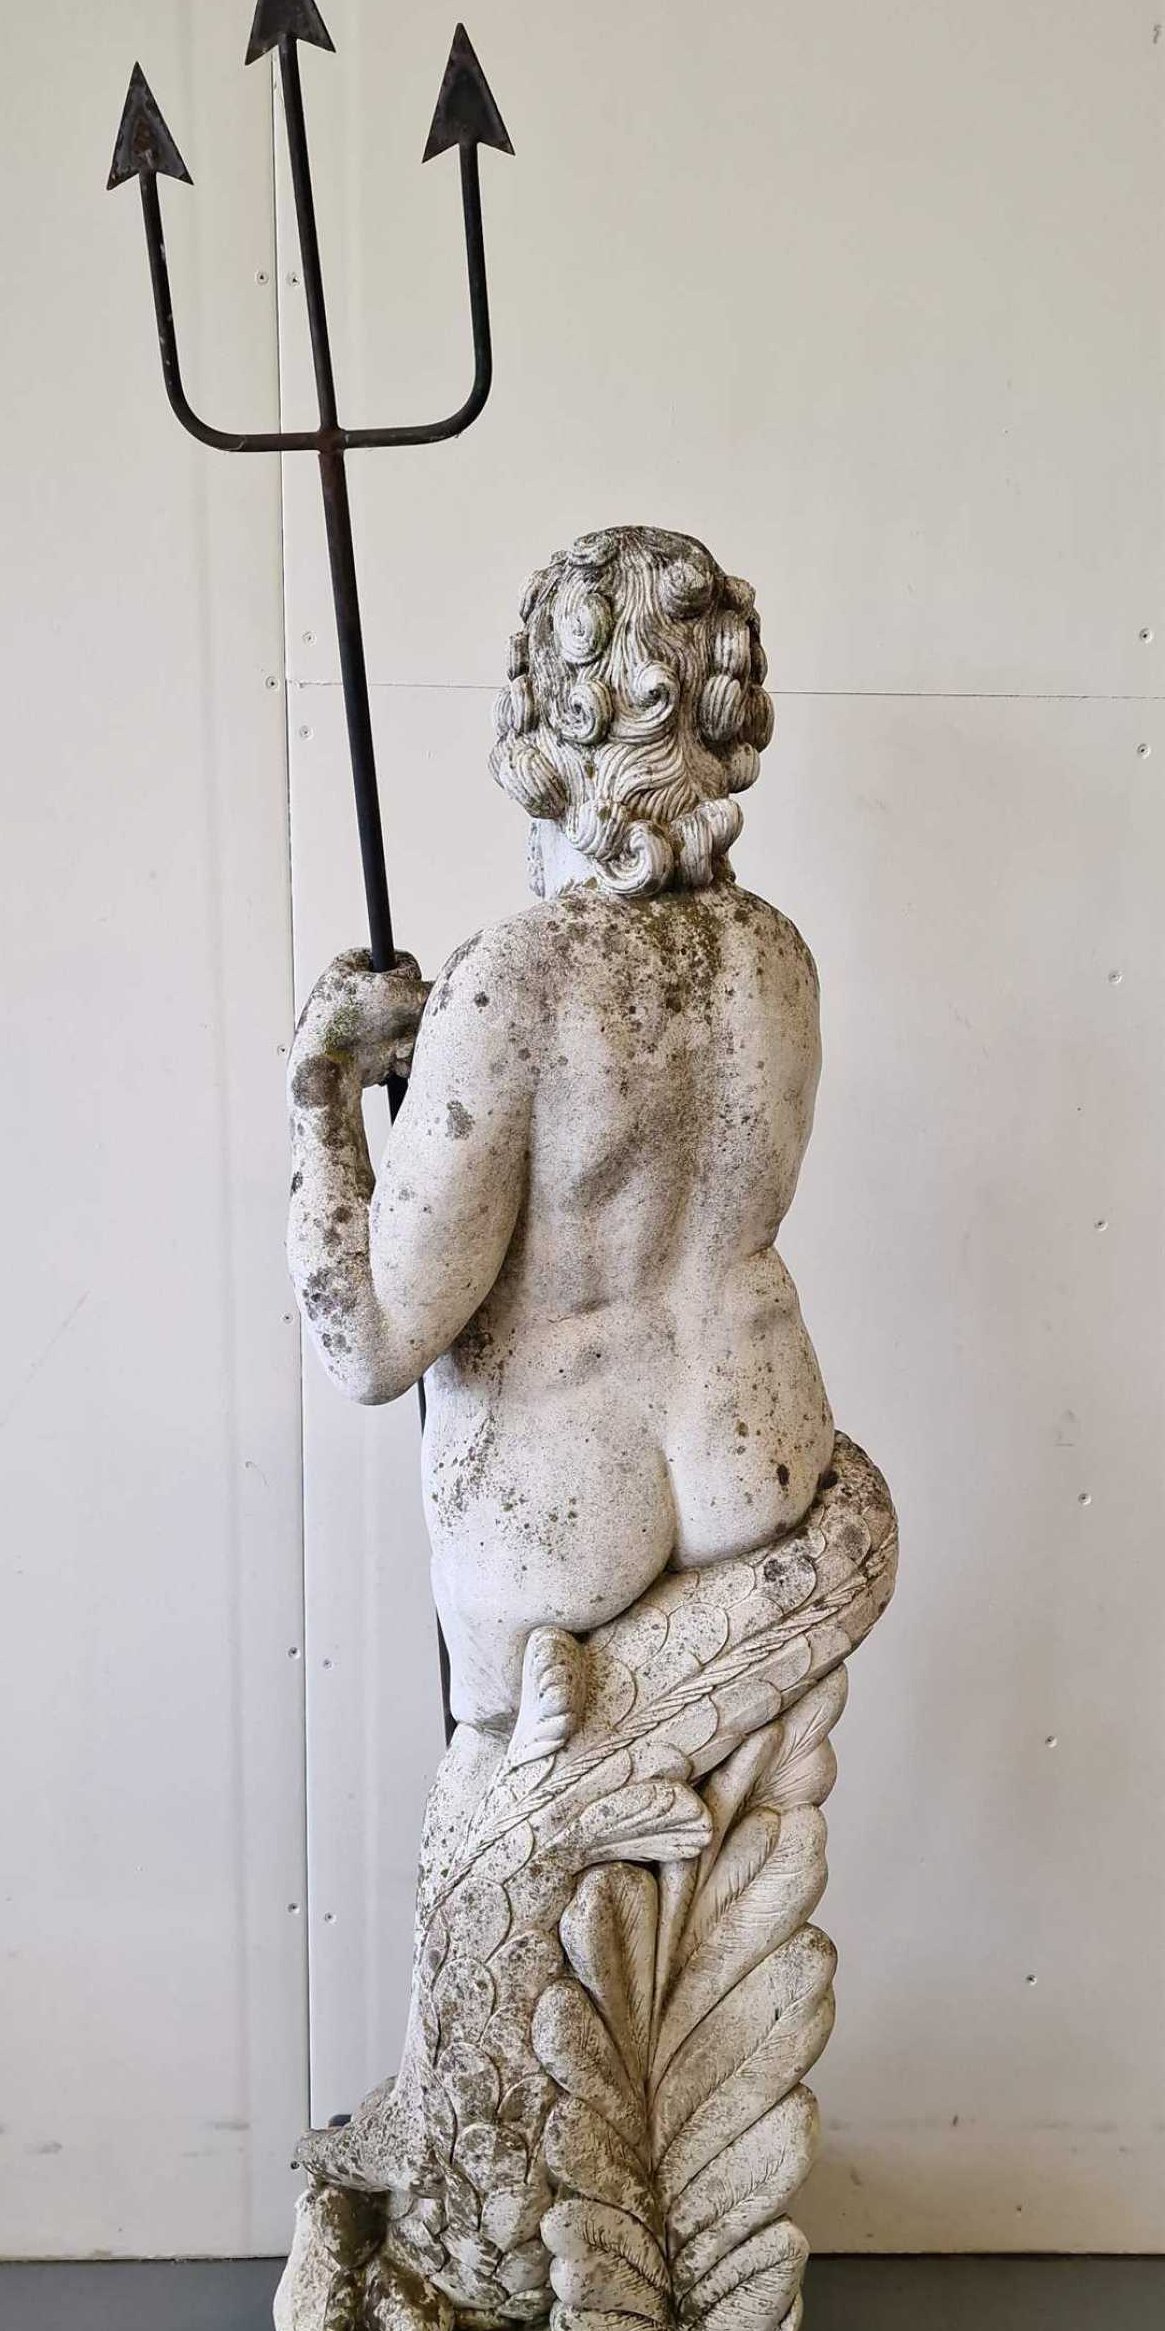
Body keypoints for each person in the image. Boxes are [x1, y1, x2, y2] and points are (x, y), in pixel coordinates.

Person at [287, 525, 834, 1732]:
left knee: (510, 1848)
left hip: (563, 1505)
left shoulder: (515, 981)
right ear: (725, 710)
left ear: (544, 725)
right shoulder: (778, 960)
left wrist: (322, 1085)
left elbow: (371, 1344)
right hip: (761, 1447)